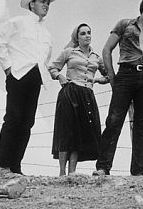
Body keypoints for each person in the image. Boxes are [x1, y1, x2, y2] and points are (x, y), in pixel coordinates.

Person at [93, 0, 143, 176]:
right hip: (125, 74)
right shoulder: (125, 25)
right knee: (113, 121)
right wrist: (112, 76)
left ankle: (138, 171)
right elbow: (107, 49)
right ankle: (103, 167)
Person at [0, 0, 57, 176]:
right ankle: (2, 166)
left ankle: (15, 167)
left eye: (48, 3)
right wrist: (7, 67)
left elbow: (44, 58)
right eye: (42, 1)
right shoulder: (18, 22)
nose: (46, 5)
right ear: (31, 4)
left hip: (35, 79)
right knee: (13, 119)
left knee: (27, 122)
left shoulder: (46, 33)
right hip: (18, 75)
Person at [48, 23, 109, 176]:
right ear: (77, 37)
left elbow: (108, 76)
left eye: (89, 32)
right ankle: (62, 172)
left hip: (87, 94)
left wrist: (96, 81)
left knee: (79, 132)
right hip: (70, 92)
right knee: (66, 132)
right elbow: (52, 67)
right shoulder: (69, 52)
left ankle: (72, 173)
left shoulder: (96, 57)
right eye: (83, 33)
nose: (87, 35)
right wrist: (60, 76)